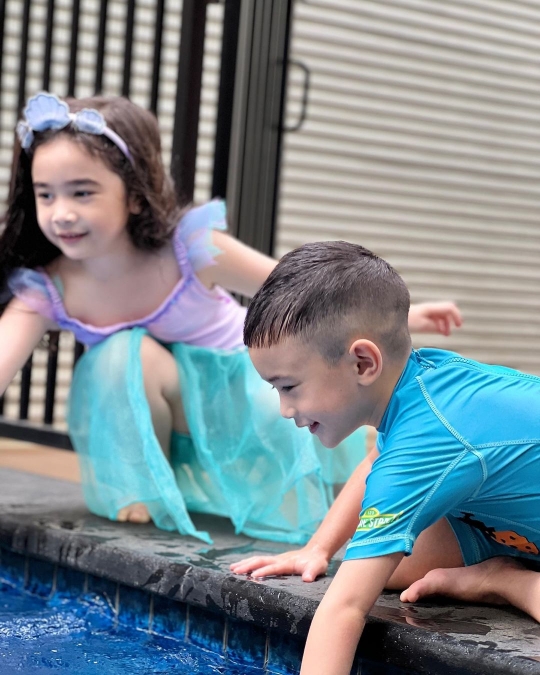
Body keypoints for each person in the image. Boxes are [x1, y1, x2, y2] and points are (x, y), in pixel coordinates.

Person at [0, 92, 460, 547]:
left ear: (135, 195)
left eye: (82, 192)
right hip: (169, 408)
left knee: (301, 445)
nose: (62, 212)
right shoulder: (49, 286)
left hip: (244, 398)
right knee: (121, 354)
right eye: (46, 194)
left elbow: (296, 289)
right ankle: (151, 489)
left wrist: (406, 315)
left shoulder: (187, 248)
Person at [230, 240, 540, 675]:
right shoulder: (417, 384)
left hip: (513, 532)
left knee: (361, 576)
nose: (285, 410)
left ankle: (507, 581)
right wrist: (317, 548)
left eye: (289, 387)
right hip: (503, 525)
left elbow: (344, 609)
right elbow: (377, 460)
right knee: (384, 565)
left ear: (362, 363)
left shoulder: (428, 438)